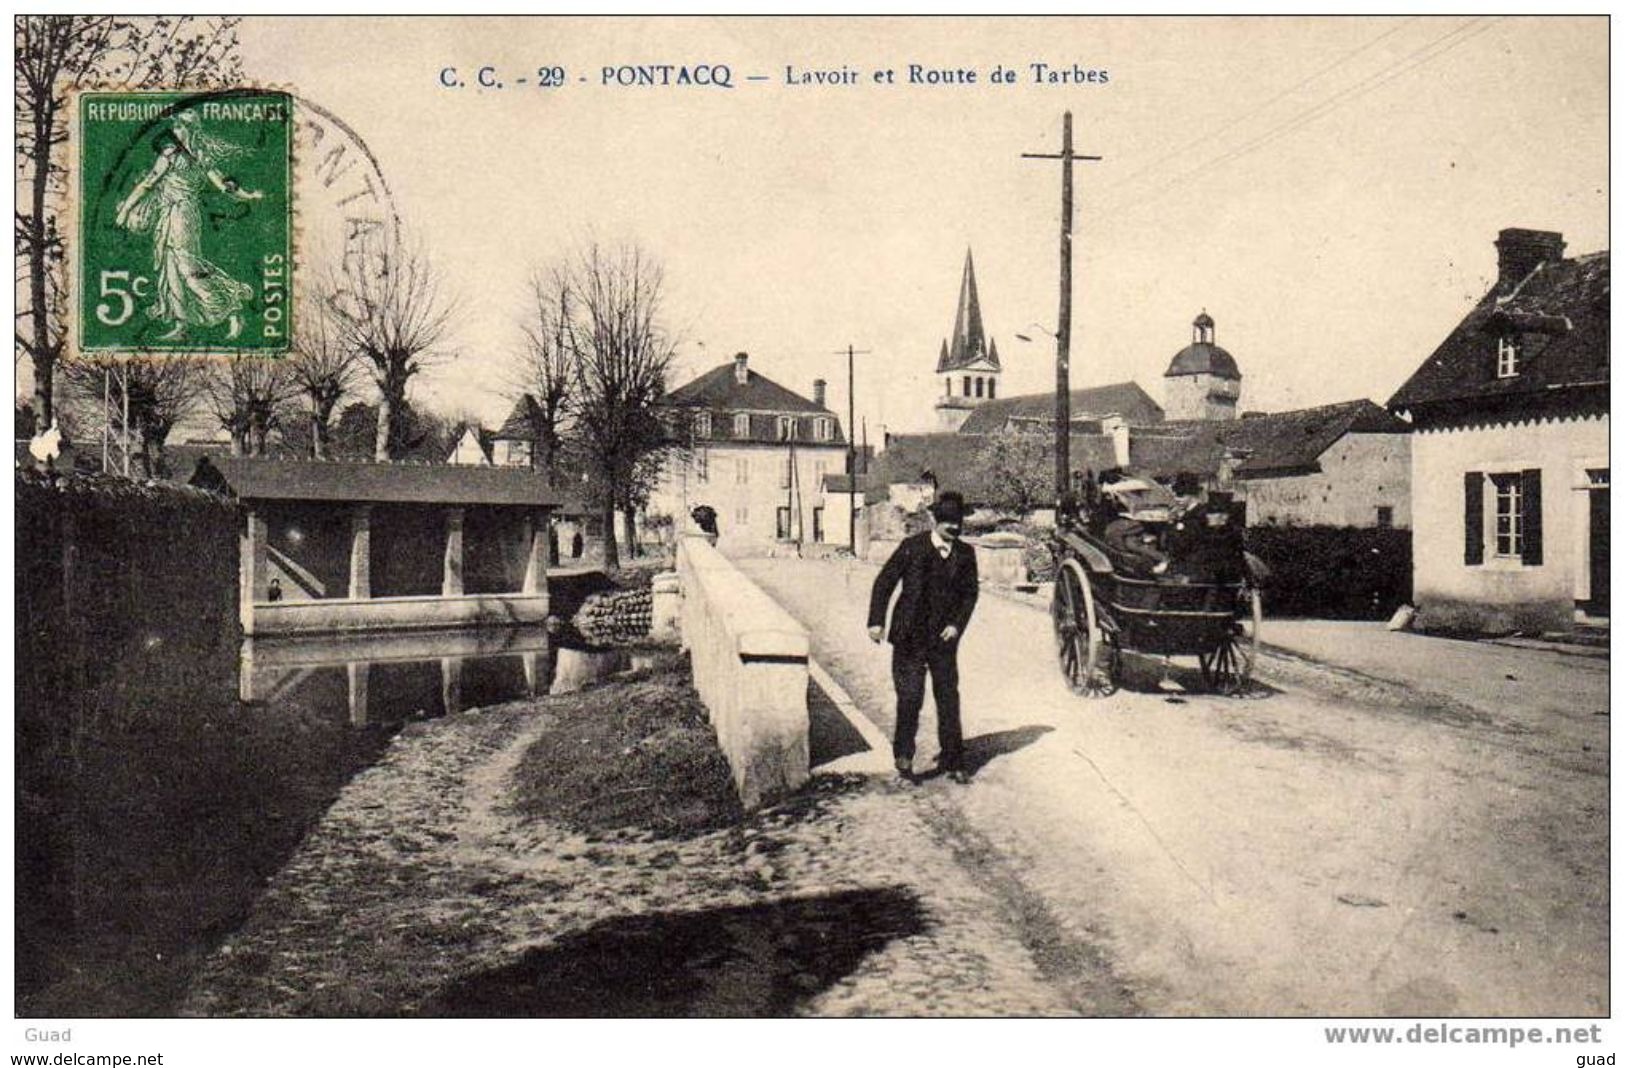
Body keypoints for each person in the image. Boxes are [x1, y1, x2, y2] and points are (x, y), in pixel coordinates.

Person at [114, 113, 264, 341]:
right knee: (171, 266)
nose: (175, 130)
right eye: (175, 126)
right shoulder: (174, 154)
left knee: (186, 265)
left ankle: (232, 307)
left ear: (191, 129)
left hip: (183, 215)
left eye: (180, 126)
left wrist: (249, 196)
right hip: (169, 214)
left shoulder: (193, 156)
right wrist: (126, 209)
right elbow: (148, 183)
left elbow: (223, 185)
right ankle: (181, 323)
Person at [867, 490, 979, 784]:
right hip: (909, 637)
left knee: (948, 698)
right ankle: (903, 756)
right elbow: (885, 582)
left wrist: (956, 624)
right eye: (948, 523)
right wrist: (876, 622)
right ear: (935, 522)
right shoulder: (911, 547)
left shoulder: (966, 554)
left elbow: (970, 595)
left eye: (958, 523)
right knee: (910, 697)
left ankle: (953, 760)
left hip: (943, 639)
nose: (954, 528)